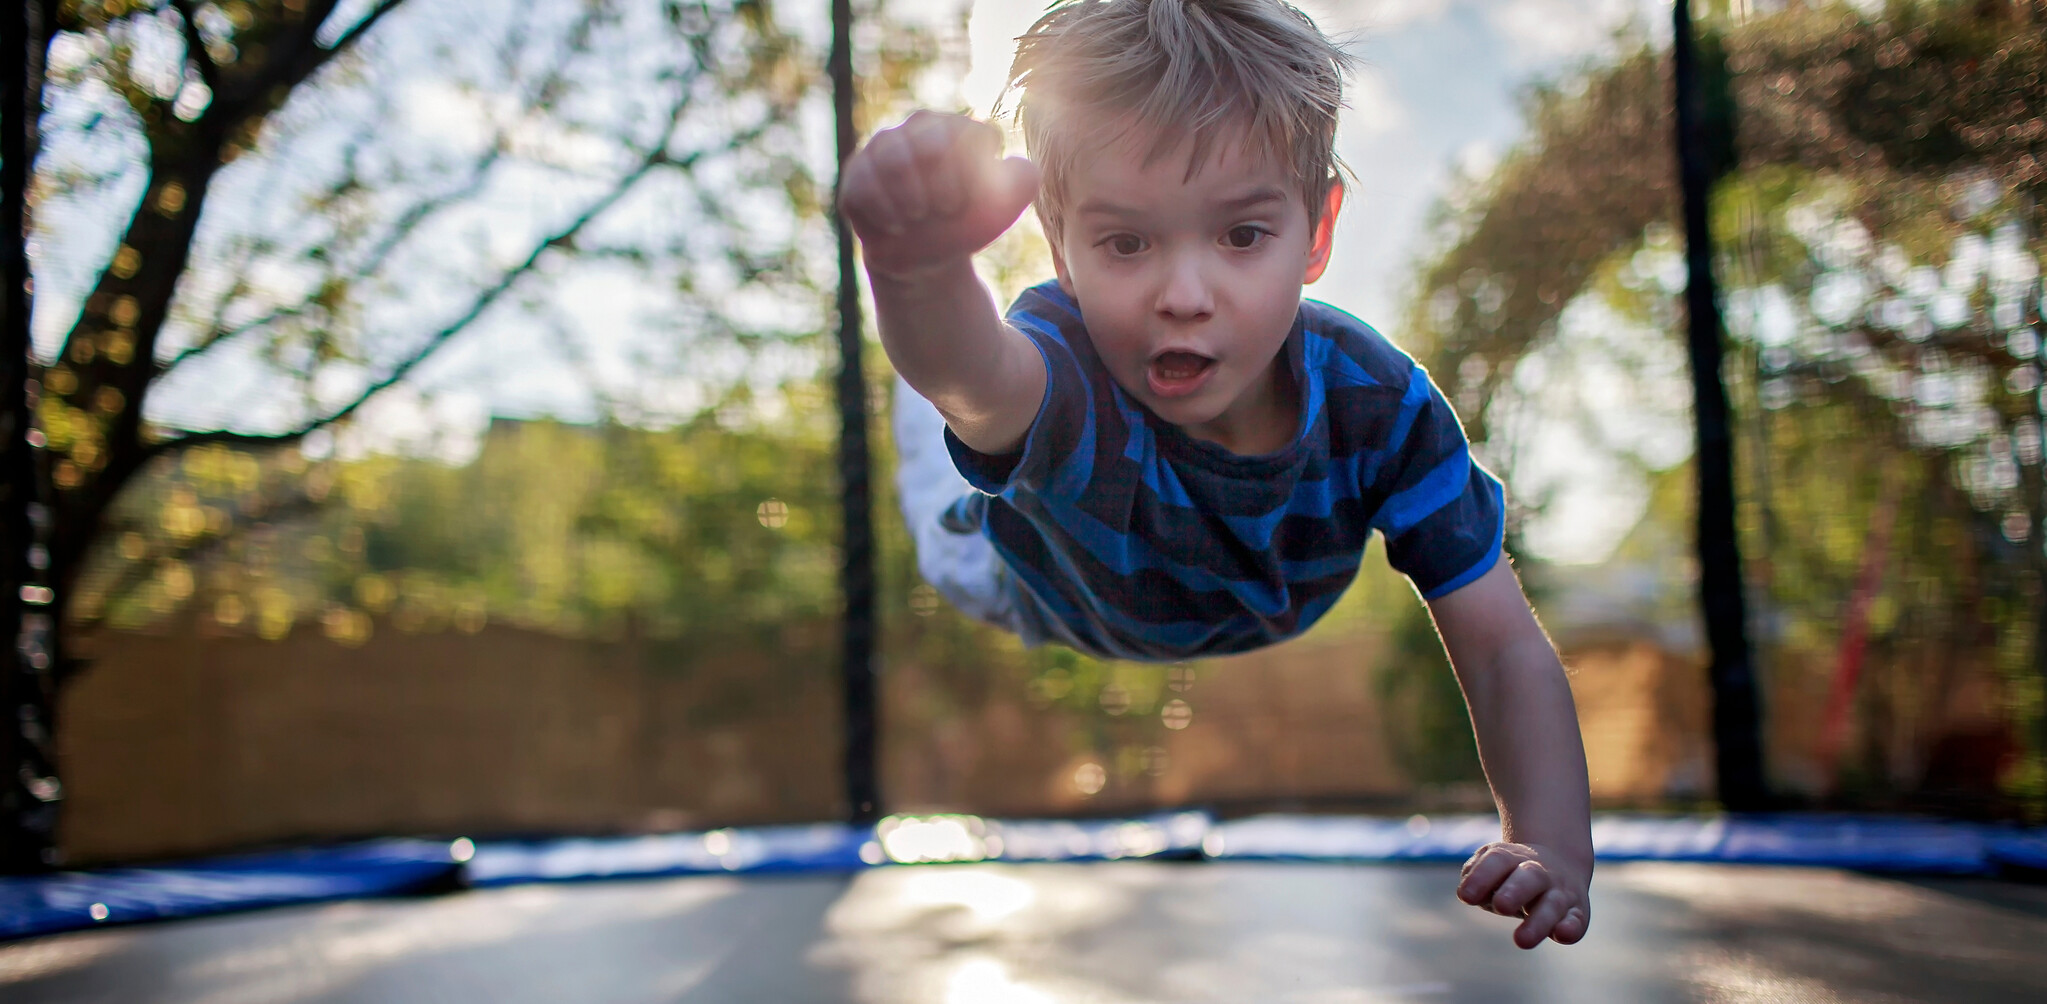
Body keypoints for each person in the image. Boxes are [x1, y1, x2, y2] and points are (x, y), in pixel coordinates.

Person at [839, 0, 1592, 949]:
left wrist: (1552, 844)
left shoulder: (1382, 408)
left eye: (1240, 237)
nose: (1184, 298)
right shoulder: (1065, 368)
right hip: (1017, 574)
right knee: (950, 392)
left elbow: (1501, 647)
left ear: (1316, 233)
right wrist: (911, 270)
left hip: (1227, 592)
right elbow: (982, 383)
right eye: (1124, 244)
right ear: (1059, 244)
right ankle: (933, 337)